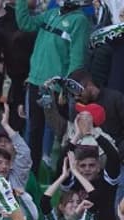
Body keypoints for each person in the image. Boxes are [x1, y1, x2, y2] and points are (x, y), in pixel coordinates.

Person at [15, 0, 90, 173]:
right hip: (35, 82)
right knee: (33, 131)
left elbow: (77, 58)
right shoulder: (51, 13)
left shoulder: (80, 20)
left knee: (58, 134)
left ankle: (59, 176)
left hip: (55, 87)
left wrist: (66, 87)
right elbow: (25, 23)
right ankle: (30, 174)